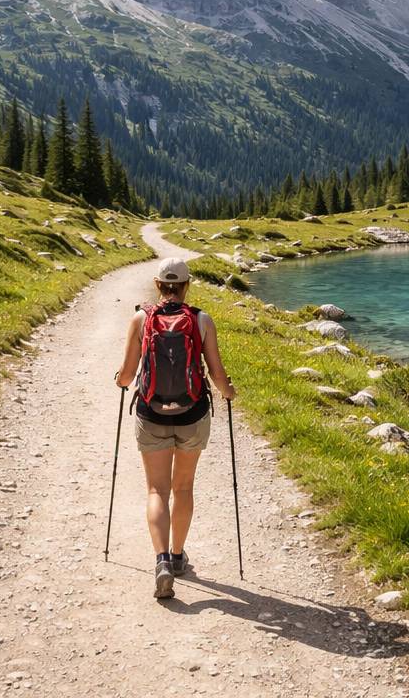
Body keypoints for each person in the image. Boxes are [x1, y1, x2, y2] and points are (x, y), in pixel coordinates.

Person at [116, 257, 235, 599]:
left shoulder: (141, 318)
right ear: (186, 285)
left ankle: (162, 561)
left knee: (156, 490)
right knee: (182, 488)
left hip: (151, 413)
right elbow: (216, 372)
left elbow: (126, 377)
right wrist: (228, 392)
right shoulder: (201, 320)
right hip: (192, 414)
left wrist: (119, 381)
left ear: (157, 285)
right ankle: (179, 556)